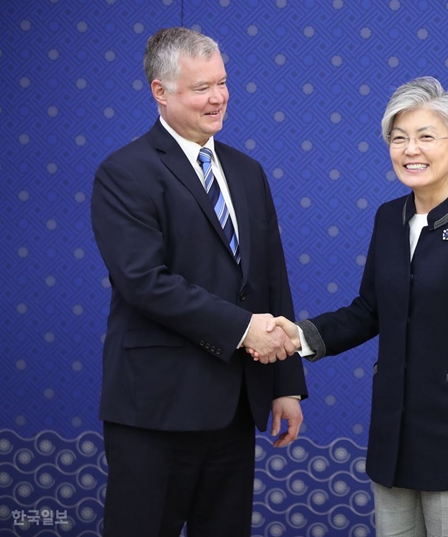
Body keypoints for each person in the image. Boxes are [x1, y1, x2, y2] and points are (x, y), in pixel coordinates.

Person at [257, 77, 448, 536]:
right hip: (392, 436)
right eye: (398, 138)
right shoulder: (388, 218)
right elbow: (368, 311)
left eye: (425, 137)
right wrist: (299, 336)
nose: (409, 150)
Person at [90, 27, 307, 537]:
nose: (218, 98)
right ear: (159, 92)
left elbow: (271, 277)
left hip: (235, 407)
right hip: (155, 410)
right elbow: (144, 281)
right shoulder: (125, 172)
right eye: (201, 88)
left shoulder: (246, 171)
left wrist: (285, 386)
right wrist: (243, 330)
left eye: (223, 83)